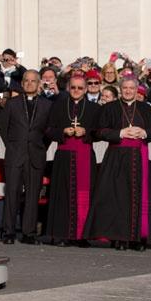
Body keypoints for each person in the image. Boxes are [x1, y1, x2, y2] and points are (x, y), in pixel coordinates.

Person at [83, 76, 151, 251]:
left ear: (136, 89)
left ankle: (138, 238)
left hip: (139, 157)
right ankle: (119, 238)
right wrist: (120, 133)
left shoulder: (145, 108)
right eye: (125, 88)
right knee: (117, 197)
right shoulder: (110, 108)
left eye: (131, 88)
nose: (128, 91)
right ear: (120, 89)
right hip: (117, 157)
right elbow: (99, 131)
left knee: (139, 196)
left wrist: (144, 133)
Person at [0, 70, 53, 244]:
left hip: (36, 155)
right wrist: (13, 146)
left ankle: (28, 232)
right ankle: (8, 232)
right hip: (15, 154)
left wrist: (40, 147)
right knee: (12, 193)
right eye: (26, 81)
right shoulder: (12, 104)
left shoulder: (47, 104)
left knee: (32, 196)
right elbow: (3, 129)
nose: (29, 84)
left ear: (39, 84)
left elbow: (49, 132)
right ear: (22, 84)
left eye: (33, 81)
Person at [45, 76, 100, 247]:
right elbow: (48, 130)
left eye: (80, 88)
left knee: (84, 195)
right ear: (68, 88)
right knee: (62, 194)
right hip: (64, 155)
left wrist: (86, 131)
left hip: (84, 154)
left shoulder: (94, 108)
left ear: (85, 89)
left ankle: (82, 235)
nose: (76, 90)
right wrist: (62, 132)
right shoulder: (59, 105)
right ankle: (61, 234)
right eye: (73, 87)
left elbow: (99, 132)